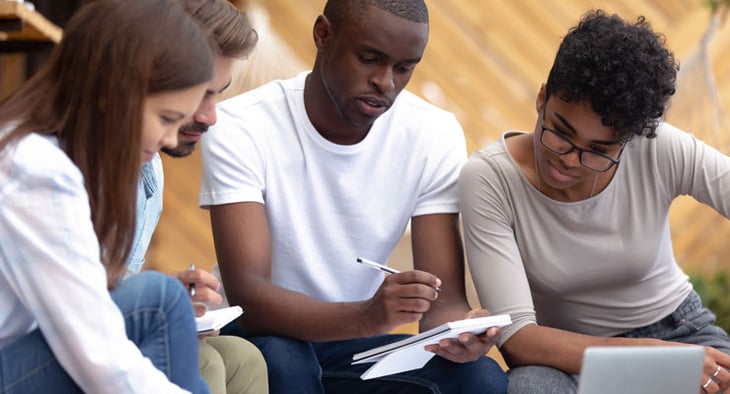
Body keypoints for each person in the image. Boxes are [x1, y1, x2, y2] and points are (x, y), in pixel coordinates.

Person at [199, 0, 508, 392]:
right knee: (285, 363)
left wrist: (461, 334)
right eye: (369, 59)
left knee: (478, 379)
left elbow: (441, 301)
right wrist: (367, 316)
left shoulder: (434, 134)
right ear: (323, 35)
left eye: (404, 68)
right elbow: (251, 296)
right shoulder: (241, 126)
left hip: (350, 343)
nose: (386, 81)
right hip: (256, 334)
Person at [458, 9, 730, 394]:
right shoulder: (489, 179)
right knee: (529, 389)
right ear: (541, 99)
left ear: (629, 140)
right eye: (560, 133)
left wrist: (667, 357)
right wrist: (651, 360)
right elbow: (517, 337)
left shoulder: (657, 148)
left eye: (599, 150)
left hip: (679, 334)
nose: (569, 159)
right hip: (570, 359)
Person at [0, 0, 214, 392]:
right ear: (110, 93)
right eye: (167, 119)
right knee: (158, 300)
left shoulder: (52, 153)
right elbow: (99, 354)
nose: (170, 138)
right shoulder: (35, 168)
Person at [125, 0, 268, 393]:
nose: (210, 116)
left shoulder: (148, 169)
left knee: (243, 357)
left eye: (217, 95)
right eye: (199, 94)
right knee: (203, 361)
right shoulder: (54, 163)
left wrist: (167, 300)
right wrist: (157, 308)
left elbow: (105, 284)